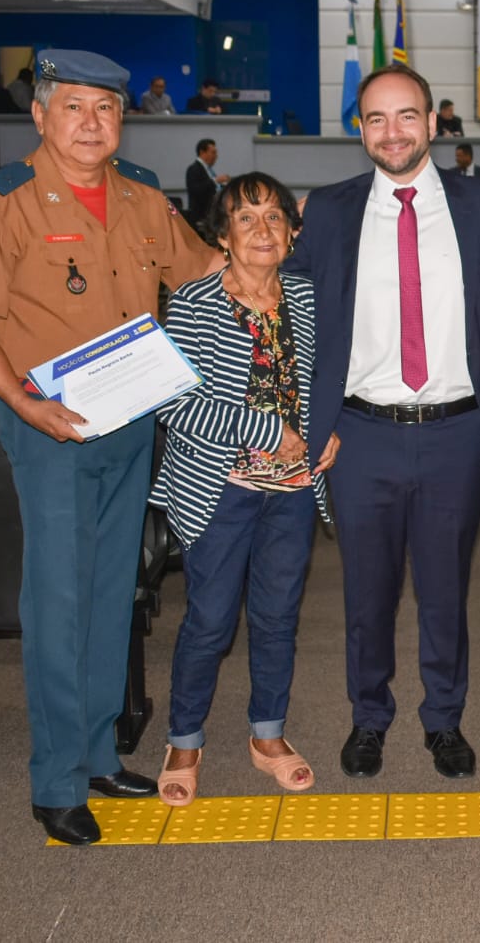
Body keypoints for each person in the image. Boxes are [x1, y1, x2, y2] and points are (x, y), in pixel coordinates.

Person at [0, 49, 224, 845]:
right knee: (60, 601)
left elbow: (206, 275)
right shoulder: (3, 204)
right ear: (40, 115)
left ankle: (99, 752)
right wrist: (26, 404)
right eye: (73, 107)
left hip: (132, 425)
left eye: (106, 108)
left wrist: (274, 244)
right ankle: (56, 780)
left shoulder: (141, 198)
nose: (92, 123)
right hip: (51, 432)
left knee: (112, 597)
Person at [291, 64, 480, 782]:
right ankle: (369, 717)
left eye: (406, 116)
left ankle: (444, 719)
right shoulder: (327, 210)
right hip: (359, 434)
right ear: (359, 128)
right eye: (376, 119)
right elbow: (298, 317)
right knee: (366, 593)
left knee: (447, 590)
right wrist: (313, 418)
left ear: (433, 121)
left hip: (458, 431)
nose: (392, 132)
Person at [149, 172, 334, 806]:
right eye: (246, 218)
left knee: (278, 618)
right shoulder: (194, 303)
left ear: (292, 231)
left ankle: (268, 735)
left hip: (291, 491)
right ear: (222, 234)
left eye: (274, 218)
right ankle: (184, 738)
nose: (262, 230)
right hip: (216, 490)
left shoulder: (308, 297)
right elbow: (175, 404)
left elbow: (332, 380)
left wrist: (330, 432)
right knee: (209, 620)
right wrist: (266, 428)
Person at [186, 138, 230, 227]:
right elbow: (195, 190)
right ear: (202, 152)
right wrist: (215, 181)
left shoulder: (208, 170)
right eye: (213, 152)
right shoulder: (193, 169)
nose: (216, 156)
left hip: (212, 215)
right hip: (201, 216)